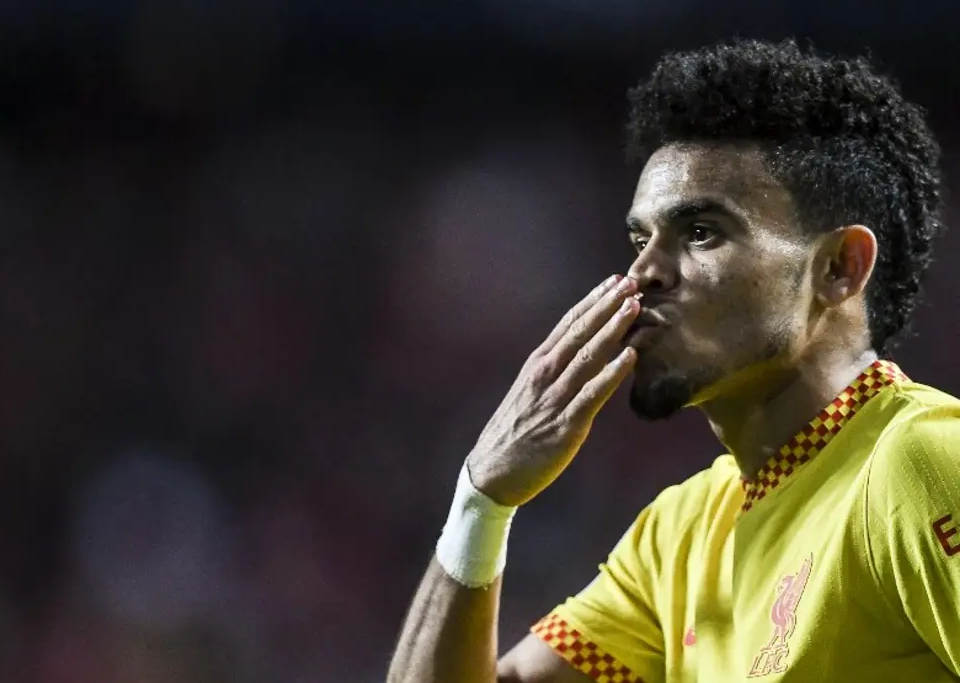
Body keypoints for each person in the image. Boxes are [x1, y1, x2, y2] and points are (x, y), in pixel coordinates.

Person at [386, 39, 959, 682]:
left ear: (838, 267)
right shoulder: (679, 535)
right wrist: (481, 501)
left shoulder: (921, 462)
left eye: (701, 233)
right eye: (640, 238)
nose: (644, 271)